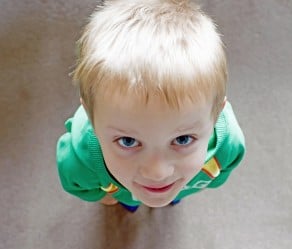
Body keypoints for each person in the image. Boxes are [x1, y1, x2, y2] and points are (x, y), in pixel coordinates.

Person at [56, 0, 245, 212]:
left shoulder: (227, 143)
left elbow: (223, 170)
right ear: (91, 120)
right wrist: (102, 195)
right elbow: (79, 186)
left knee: (174, 193)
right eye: (128, 141)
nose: (158, 172)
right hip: (122, 189)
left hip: (181, 184)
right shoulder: (81, 159)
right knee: (130, 200)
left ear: (216, 115)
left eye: (182, 140)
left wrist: (187, 187)